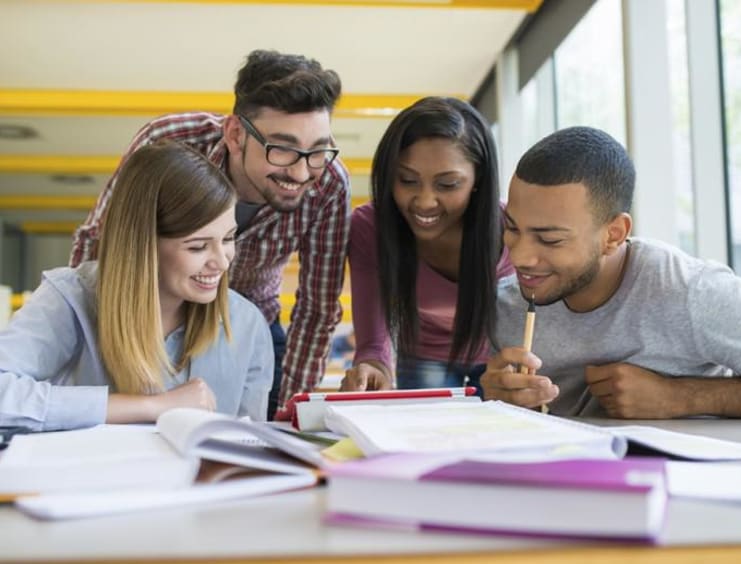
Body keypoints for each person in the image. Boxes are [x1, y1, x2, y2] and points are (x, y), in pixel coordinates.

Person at [70, 50, 350, 419]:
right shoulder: (171, 141)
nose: (301, 173)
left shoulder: (328, 182)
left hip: (250, 324)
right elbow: (101, 240)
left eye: (316, 151)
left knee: (257, 434)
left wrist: (291, 412)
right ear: (235, 134)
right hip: (148, 318)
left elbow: (317, 307)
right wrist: (81, 327)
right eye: (282, 150)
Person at [0, 141, 273, 431]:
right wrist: (152, 406)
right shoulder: (70, 298)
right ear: (143, 246)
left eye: (228, 239)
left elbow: (250, 446)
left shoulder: (247, 324)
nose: (221, 261)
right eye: (197, 247)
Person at [482, 126, 741, 418]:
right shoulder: (505, 310)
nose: (519, 256)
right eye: (512, 228)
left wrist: (681, 398)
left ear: (613, 234)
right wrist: (498, 404)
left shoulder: (694, 292)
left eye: (550, 240)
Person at [340, 97, 513, 394]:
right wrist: (374, 367)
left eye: (447, 185)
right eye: (407, 180)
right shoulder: (370, 227)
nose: (424, 201)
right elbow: (372, 341)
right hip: (424, 356)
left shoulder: (511, 226)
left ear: (478, 178)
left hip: (502, 356)